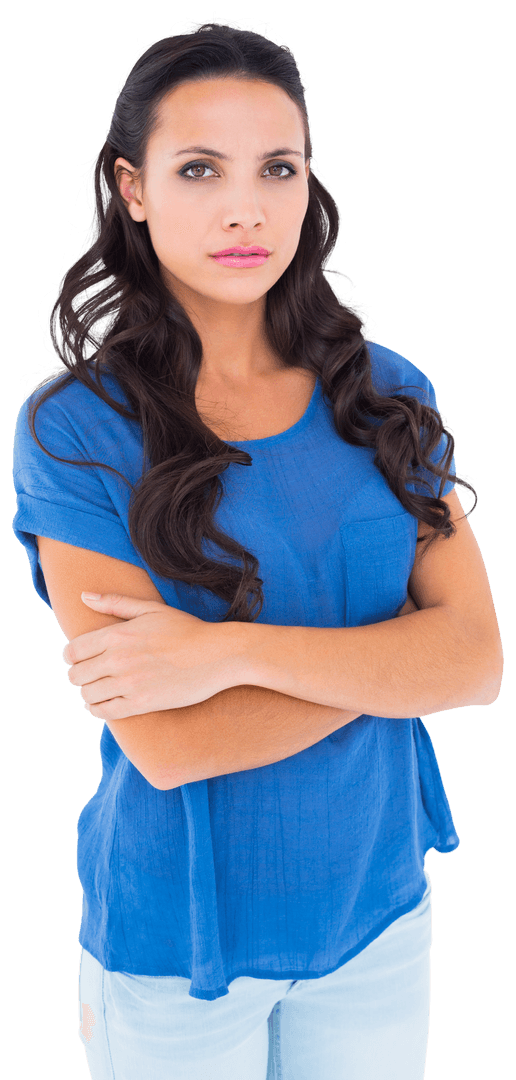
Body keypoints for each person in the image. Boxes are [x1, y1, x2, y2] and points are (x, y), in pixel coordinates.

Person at [11, 16, 503, 1080]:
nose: (247, 208)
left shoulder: (387, 393)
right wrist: (395, 661)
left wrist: (225, 654)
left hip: (378, 916)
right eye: (199, 169)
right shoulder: (73, 432)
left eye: (278, 167)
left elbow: (476, 663)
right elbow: (171, 744)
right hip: (178, 949)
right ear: (132, 189)